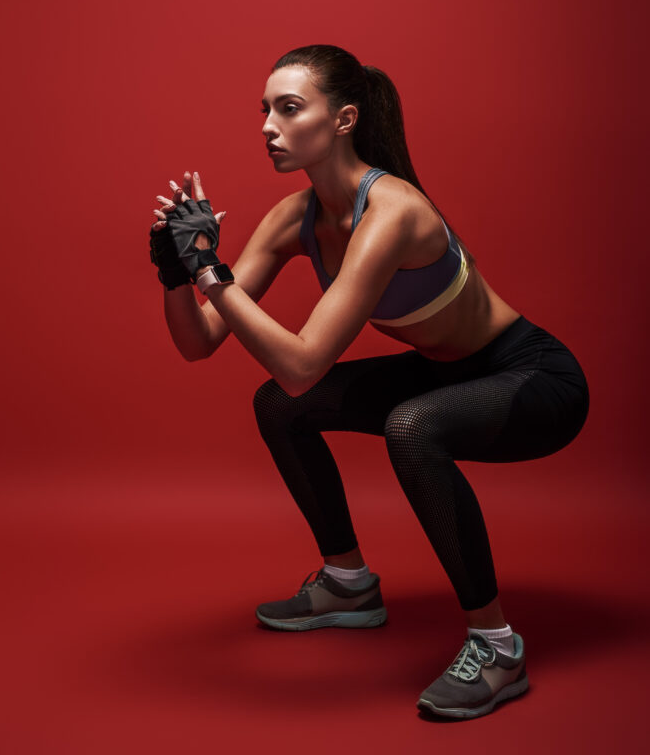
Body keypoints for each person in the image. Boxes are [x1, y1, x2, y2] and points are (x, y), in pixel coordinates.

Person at [149, 44, 590, 721]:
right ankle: (348, 586)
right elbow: (199, 343)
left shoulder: (392, 213)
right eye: (264, 109)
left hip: (531, 377)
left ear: (345, 118)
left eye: (289, 108)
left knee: (411, 426)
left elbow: (303, 362)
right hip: (443, 371)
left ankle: (497, 647)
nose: (268, 124)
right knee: (279, 407)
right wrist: (178, 275)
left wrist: (213, 272)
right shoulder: (293, 219)